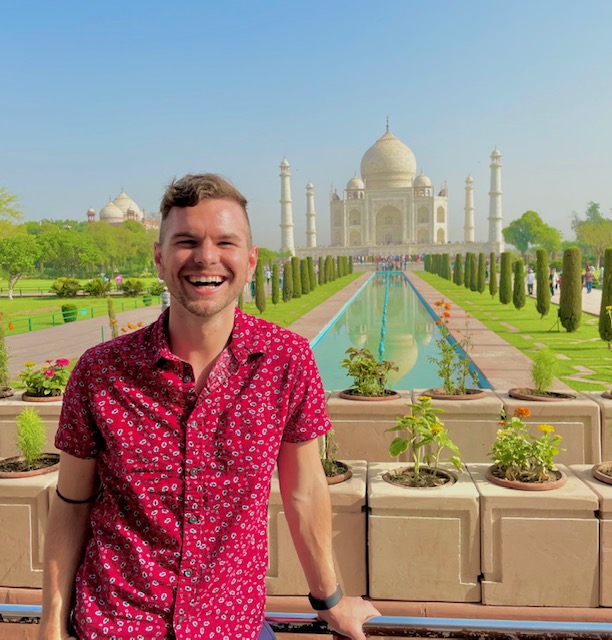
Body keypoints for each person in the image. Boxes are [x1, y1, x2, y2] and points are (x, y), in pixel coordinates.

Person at [39, 174, 379, 640]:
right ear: (159, 258)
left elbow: (304, 492)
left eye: (225, 242)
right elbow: (72, 503)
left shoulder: (286, 361)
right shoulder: (102, 372)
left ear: (251, 260)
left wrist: (331, 601)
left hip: (230, 625)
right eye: (186, 241)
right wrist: (51, 625)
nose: (206, 257)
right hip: (116, 624)